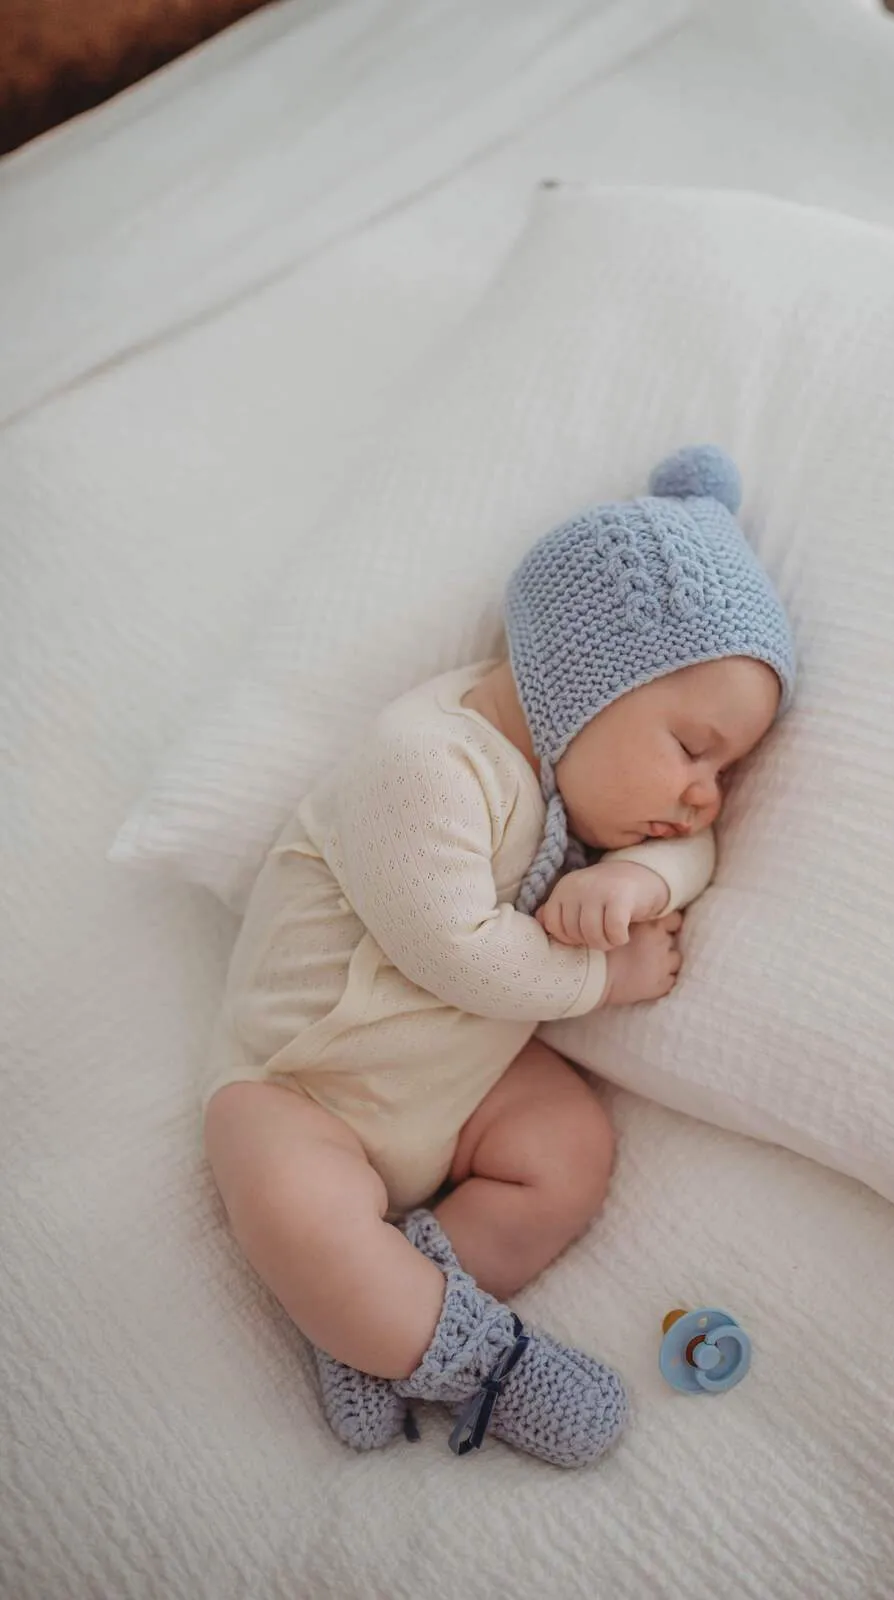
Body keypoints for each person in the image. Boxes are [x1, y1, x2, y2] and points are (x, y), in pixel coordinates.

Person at [202, 445, 795, 1468]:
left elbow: (691, 846)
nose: (705, 795)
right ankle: (478, 1361)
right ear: (590, 678)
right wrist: (602, 976)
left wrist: (641, 880)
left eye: (726, 771)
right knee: (290, 1200)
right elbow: (457, 954)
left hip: (463, 1078)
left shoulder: (583, 791)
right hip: (305, 1085)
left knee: (568, 1148)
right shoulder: (422, 760)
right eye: (694, 748)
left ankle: (390, 1309)